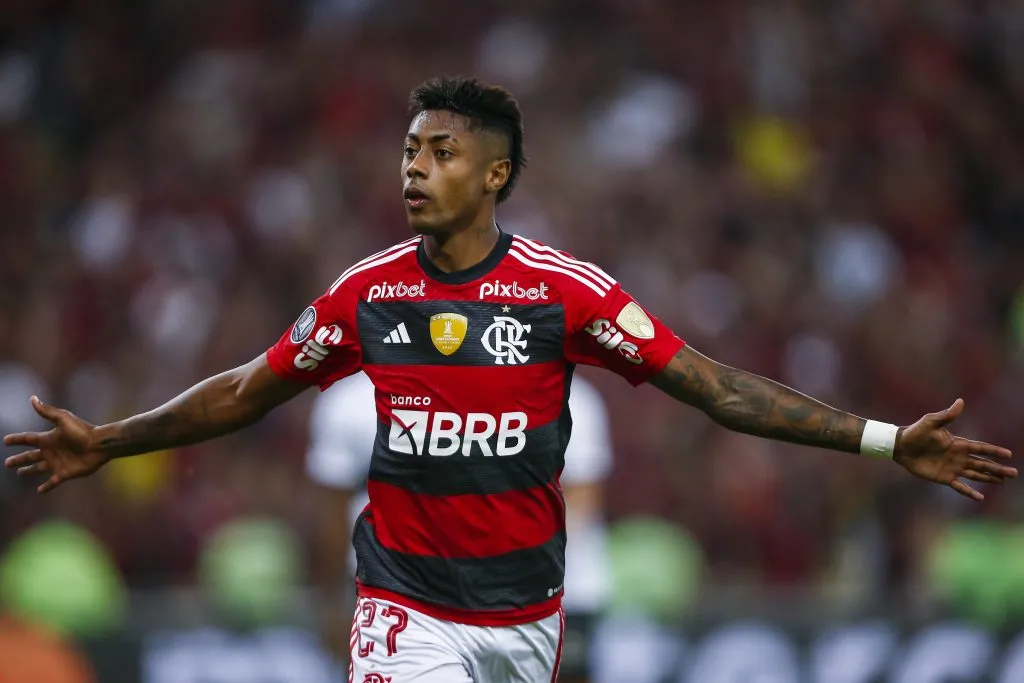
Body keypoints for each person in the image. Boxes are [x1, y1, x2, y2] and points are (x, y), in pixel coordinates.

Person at [3, 76, 1016, 683]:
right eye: (409, 152)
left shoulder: (564, 294)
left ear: (494, 175)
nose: (414, 170)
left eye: (440, 154)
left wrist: (885, 439)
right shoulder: (366, 294)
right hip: (403, 603)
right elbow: (244, 389)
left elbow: (719, 389)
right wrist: (112, 439)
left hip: (527, 616)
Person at [307, 370, 613, 681]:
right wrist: (331, 602)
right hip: (400, 598)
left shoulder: (562, 392)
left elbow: (581, 503)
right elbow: (333, 517)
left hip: (548, 597)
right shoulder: (354, 401)